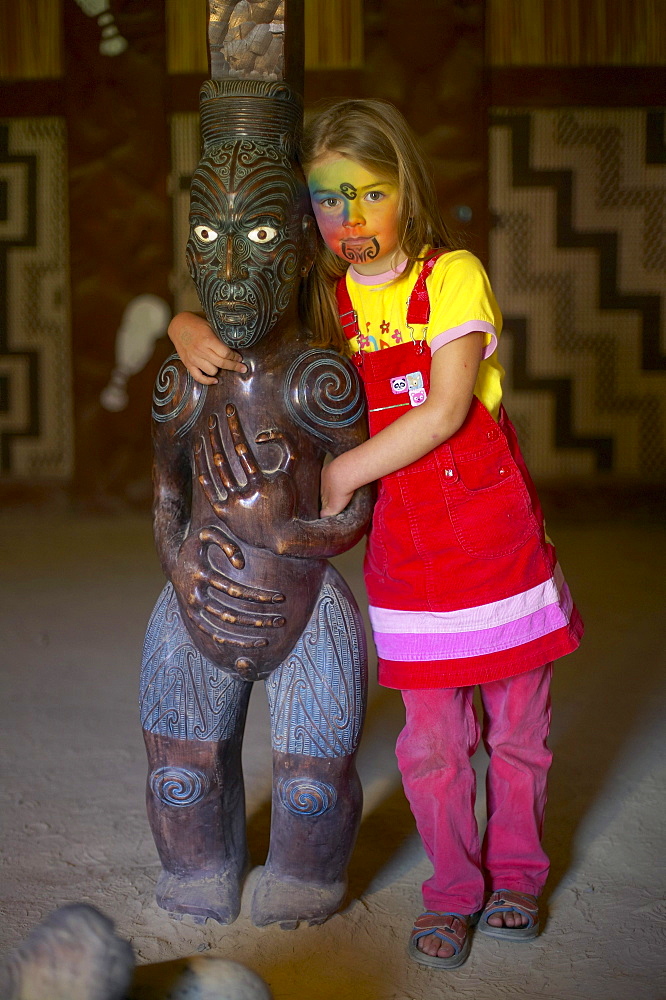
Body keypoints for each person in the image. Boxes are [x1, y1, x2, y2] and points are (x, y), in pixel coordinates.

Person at [167, 98, 583, 970]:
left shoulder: (453, 275)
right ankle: (453, 893)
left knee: (516, 731)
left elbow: (445, 410)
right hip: (409, 552)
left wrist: (347, 471)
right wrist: (185, 326)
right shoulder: (324, 300)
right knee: (431, 742)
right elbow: (242, 335)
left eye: (369, 194)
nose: (348, 220)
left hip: (490, 535)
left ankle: (516, 875)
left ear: (407, 191)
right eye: (326, 200)